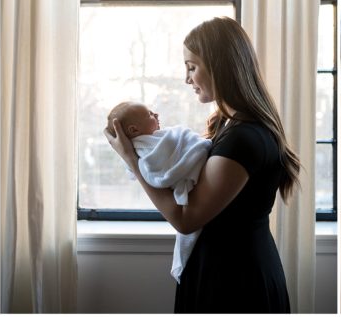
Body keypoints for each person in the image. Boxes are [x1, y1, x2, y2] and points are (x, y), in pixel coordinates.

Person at [104, 17, 300, 314]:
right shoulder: (228, 125)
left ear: (219, 66)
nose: (187, 79)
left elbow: (186, 219)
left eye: (191, 67)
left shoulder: (243, 139)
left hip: (236, 284)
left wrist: (132, 160)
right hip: (222, 272)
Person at [105, 100, 212, 283]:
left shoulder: (157, 140)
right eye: (150, 114)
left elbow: (179, 140)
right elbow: (158, 172)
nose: (156, 115)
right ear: (134, 130)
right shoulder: (147, 150)